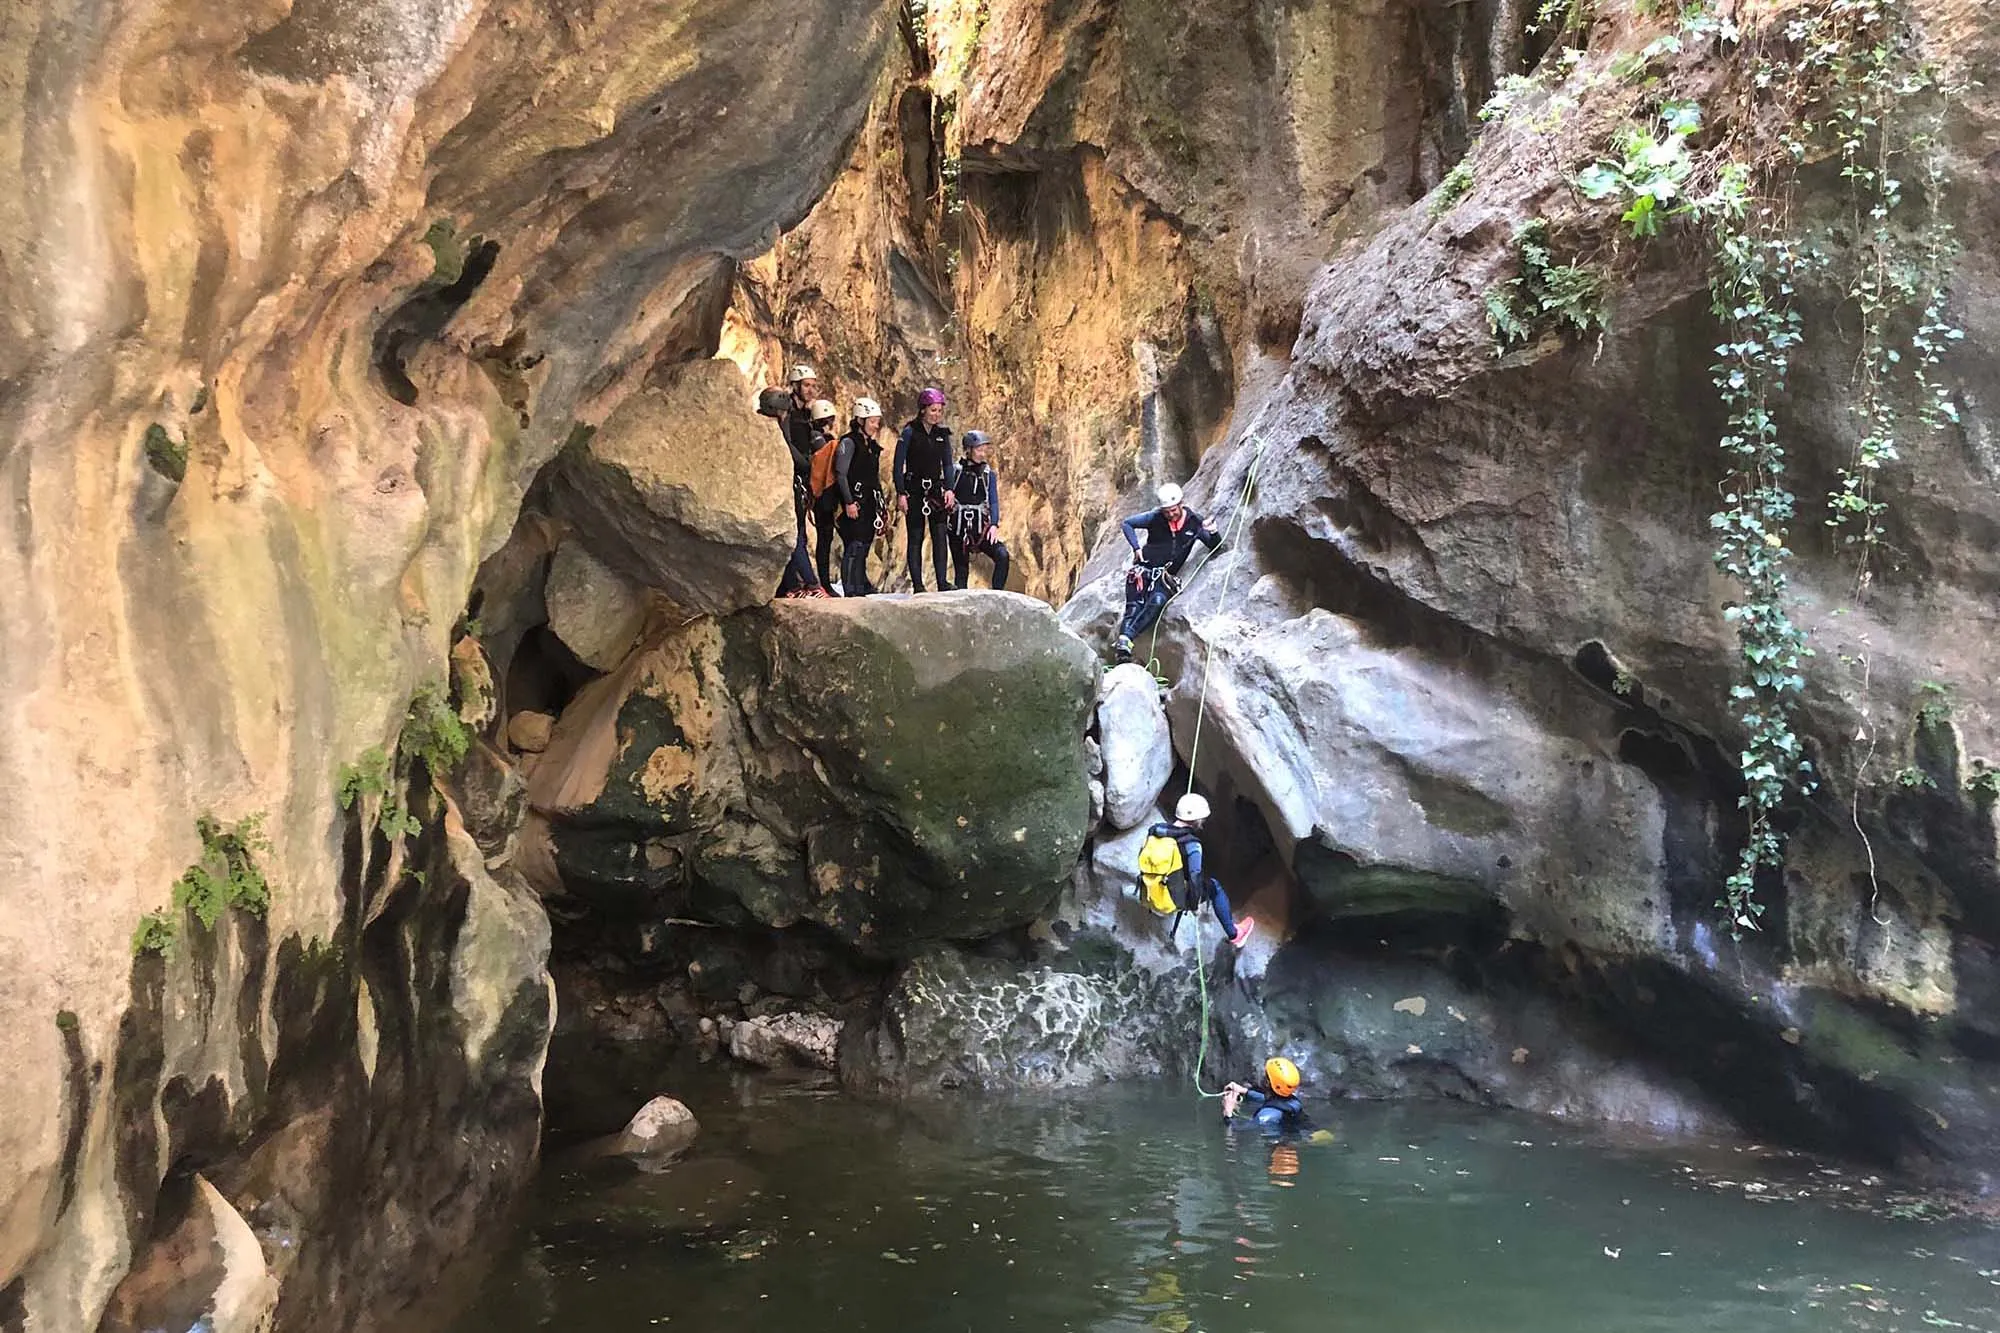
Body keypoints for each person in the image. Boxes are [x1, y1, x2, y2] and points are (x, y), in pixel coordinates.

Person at [1113, 482, 1223, 663]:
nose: (1171, 514)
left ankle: (1127, 639)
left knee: (1157, 601)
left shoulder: (1194, 522)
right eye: (1167, 511)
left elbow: (1215, 545)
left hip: (1162, 576)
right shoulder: (1155, 518)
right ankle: (1123, 653)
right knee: (1133, 607)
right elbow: (1127, 524)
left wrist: (1213, 532)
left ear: (1181, 504)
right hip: (1142, 570)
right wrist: (1136, 548)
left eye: (1174, 510)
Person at [1143, 793, 1253, 947]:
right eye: (1203, 818)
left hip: (1152, 890)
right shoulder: (1192, 846)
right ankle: (1235, 934)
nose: (1204, 821)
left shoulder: (1157, 832)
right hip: (1173, 897)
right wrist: (1194, 906)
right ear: (1197, 819)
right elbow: (1194, 879)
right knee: (1214, 886)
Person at [894, 387, 958, 592]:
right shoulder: (910, 432)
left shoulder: (942, 434)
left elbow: (947, 464)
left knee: (940, 535)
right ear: (923, 410)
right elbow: (898, 464)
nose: (936, 415)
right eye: (933, 410)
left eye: (939, 411)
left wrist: (949, 488)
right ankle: (918, 585)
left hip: (936, 490)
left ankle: (942, 582)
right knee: (915, 536)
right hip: (915, 489)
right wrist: (901, 492)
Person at [773, 364, 828, 598]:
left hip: (800, 478)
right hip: (791, 476)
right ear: (795, 386)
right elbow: (786, 443)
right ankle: (809, 584)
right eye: (806, 385)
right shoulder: (789, 412)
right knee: (796, 535)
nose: (810, 390)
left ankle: (793, 585)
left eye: (813, 385)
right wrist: (807, 464)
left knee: (798, 534)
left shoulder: (806, 414)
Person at [836, 397, 890, 596]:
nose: (876, 426)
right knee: (854, 545)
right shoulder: (849, 443)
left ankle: (859, 587)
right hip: (854, 501)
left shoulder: (871, 446)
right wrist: (848, 502)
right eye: (872, 421)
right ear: (860, 420)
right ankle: (850, 589)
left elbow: (873, 479)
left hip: (868, 501)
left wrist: (881, 507)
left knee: (865, 544)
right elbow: (841, 474)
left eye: (877, 421)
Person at [946, 430, 1011, 591]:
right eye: (979, 450)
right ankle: (961, 606)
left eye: (984, 450)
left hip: (980, 528)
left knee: (1002, 555)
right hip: (958, 528)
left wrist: (994, 524)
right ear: (969, 450)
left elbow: (993, 500)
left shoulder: (988, 475)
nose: (983, 454)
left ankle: (997, 594)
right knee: (961, 572)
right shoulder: (956, 472)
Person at [804, 397, 843, 592]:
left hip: (822, 495)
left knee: (825, 538)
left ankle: (826, 581)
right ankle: (825, 583)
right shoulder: (819, 438)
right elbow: (824, 460)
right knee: (825, 539)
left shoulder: (816, 436)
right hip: (825, 494)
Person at [1222, 1057, 1307, 1132]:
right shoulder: (1294, 1102)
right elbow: (1271, 1101)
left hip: (1280, 1146)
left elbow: (1238, 1128)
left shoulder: (1266, 1116)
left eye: (1265, 1075)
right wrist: (1245, 1091)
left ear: (1267, 1083)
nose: (1262, 1077)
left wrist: (1228, 1113)